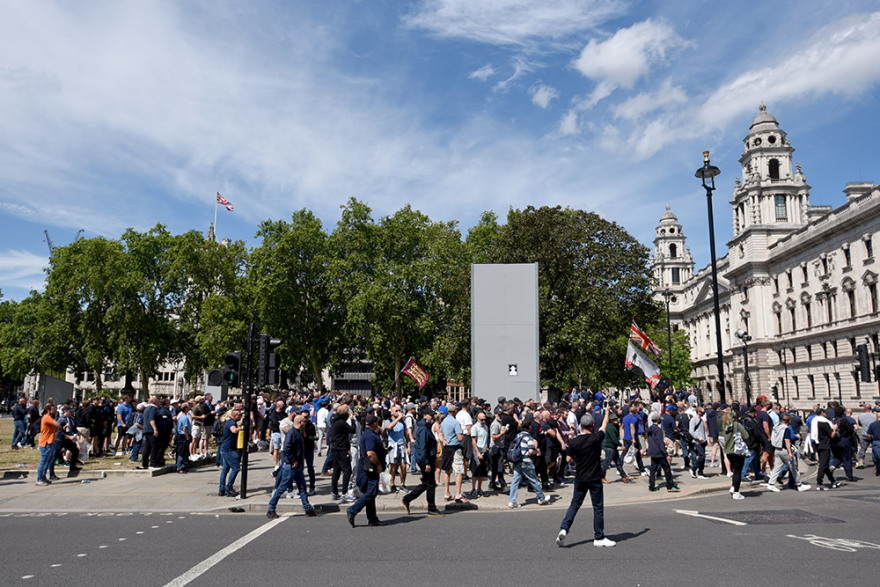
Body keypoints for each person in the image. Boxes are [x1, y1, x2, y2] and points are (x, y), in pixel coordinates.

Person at [556, 409, 614, 548]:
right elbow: (604, 426)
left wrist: (578, 460)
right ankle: (598, 537)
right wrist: (606, 413)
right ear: (592, 426)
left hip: (580, 477)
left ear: (580, 426)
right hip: (594, 477)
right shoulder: (596, 438)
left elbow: (569, 458)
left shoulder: (575, 442)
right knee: (597, 507)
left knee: (574, 505)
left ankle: (564, 529)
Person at [267, 414, 320, 519]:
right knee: (282, 487)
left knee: (302, 488)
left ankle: (308, 508)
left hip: (297, 465)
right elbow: (286, 448)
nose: (305, 424)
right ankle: (271, 509)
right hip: (291, 466)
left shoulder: (297, 432)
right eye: (304, 422)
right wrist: (293, 460)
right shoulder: (292, 433)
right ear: (300, 422)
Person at [347, 414, 387, 527]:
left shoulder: (370, 434)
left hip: (367, 468)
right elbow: (370, 454)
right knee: (371, 492)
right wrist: (378, 465)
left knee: (370, 493)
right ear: (374, 423)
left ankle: (373, 519)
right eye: (377, 423)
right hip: (370, 469)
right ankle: (352, 510)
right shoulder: (370, 436)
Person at [401, 409, 443, 516]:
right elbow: (422, 447)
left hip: (426, 458)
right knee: (430, 484)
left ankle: (407, 499)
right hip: (425, 459)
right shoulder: (424, 429)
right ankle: (431, 508)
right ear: (425, 416)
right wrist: (427, 463)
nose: (433, 417)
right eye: (431, 415)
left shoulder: (425, 427)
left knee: (428, 483)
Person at [508, 414, 551, 509]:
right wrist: (537, 451)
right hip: (526, 461)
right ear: (529, 427)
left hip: (517, 460)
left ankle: (512, 501)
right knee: (533, 479)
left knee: (515, 481)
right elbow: (531, 451)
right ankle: (541, 497)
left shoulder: (518, 435)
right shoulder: (528, 437)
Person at [766, 413, 810, 492]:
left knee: (777, 468)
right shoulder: (786, 428)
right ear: (789, 421)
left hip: (777, 449)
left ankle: (771, 484)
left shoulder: (776, 426)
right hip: (784, 450)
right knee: (794, 467)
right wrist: (790, 453)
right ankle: (799, 485)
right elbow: (787, 441)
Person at [439, 403, 468, 503]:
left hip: (446, 448)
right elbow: (460, 437)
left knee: (447, 471)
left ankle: (447, 493)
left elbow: (440, 434)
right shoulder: (455, 422)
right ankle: (458, 494)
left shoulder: (444, 422)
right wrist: (462, 434)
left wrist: (443, 440)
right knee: (459, 471)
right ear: (455, 411)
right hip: (455, 448)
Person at [720, 407, 749, 500]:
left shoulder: (724, 425)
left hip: (728, 450)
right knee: (738, 471)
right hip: (737, 450)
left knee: (734, 469)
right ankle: (736, 491)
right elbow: (746, 435)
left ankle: (733, 486)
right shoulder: (737, 425)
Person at [329, 404, 356, 500]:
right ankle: (344, 493)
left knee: (336, 471)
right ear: (344, 412)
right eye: (347, 411)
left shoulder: (335, 420)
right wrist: (352, 420)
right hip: (341, 449)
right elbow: (353, 430)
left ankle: (334, 492)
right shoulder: (341, 422)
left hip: (336, 448)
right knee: (347, 471)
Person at [647, 413, 679, 492]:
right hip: (659, 452)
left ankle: (651, 486)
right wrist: (666, 454)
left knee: (653, 469)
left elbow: (653, 440)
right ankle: (670, 486)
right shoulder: (658, 430)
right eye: (660, 419)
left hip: (652, 451)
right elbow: (660, 443)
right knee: (667, 468)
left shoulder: (649, 429)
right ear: (658, 420)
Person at [812, 407, 839, 490]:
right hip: (825, 444)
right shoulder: (824, 422)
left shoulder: (814, 421)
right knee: (823, 464)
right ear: (822, 413)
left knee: (825, 463)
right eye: (825, 413)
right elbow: (831, 435)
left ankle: (832, 480)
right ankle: (819, 483)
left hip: (817, 444)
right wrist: (834, 429)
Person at [218, 409, 242, 497]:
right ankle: (229, 488)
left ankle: (222, 489)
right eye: (239, 415)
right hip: (229, 450)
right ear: (235, 416)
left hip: (225, 448)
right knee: (235, 468)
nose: (241, 417)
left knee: (225, 469)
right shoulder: (231, 422)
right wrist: (241, 428)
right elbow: (234, 430)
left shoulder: (229, 422)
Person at [384, 405, 408, 492]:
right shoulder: (388, 421)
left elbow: (406, 434)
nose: (398, 412)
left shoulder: (402, 422)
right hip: (393, 445)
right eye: (396, 411)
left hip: (401, 445)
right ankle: (392, 484)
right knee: (393, 466)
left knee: (403, 466)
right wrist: (398, 419)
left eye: (399, 410)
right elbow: (389, 427)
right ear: (392, 412)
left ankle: (403, 484)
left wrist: (408, 444)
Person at [36, 405, 60, 486]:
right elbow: (57, 424)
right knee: (43, 461)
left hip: (50, 442)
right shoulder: (47, 417)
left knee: (48, 461)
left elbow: (56, 428)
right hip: (45, 443)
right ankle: (39, 479)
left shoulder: (49, 418)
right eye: (53, 409)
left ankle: (43, 477)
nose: (55, 411)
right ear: (49, 410)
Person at [688, 405, 709, 479]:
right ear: (698, 412)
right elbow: (691, 431)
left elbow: (704, 431)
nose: (703, 413)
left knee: (702, 457)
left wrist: (707, 439)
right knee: (702, 456)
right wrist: (698, 437)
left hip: (703, 441)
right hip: (697, 441)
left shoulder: (701, 420)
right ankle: (693, 469)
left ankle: (701, 472)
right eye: (702, 412)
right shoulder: (693, 420)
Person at [176, 402, 192, 473]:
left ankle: (183, 465)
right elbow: (185, 428)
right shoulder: (184, 417)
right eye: (188, 407)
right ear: (185, 408)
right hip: (183, 436)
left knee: (185, 452)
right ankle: (179, 467)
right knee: (182, 452)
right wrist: (187, 437)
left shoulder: (181, 416)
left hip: (182, 435)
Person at [865, 407, 880, 477]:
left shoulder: (873, 424)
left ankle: (878, 469)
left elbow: (869, 435)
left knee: (876, 458)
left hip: (876, 442)